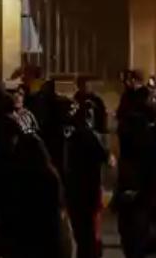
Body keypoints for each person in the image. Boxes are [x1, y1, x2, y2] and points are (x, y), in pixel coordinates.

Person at [63, 98, 109, 258]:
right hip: (89, 189)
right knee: (90, 234)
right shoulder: (88, 135)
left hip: (75, 190)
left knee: (82, 234)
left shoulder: (71, 136)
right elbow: (106, 158)